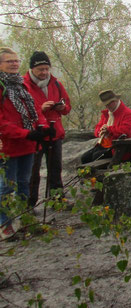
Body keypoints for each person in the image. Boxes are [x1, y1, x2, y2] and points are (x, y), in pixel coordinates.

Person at [0, 47, 50, 239]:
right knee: (6, 186)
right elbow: (3, 124)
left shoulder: (21, 85)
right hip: (7, 147)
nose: (14, 64)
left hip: (27, 146)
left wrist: (44, 127)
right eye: (9, 61)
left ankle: (23, 219)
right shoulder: (2, 87)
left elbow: (35, 111)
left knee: (24, 183)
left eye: (15, 60)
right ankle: (5, 224)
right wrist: (26, 133)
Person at [23, 51, 71, 208]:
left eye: (46, 69)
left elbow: (68, 107)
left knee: (55, 169)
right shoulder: (24, 86)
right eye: (40, 69)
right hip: (35, 135)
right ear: (32, 69)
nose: (44, 72)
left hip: (54, 132)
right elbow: (22, 111)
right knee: (32, 172)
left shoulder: (56, 84)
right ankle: (30, 205)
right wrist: (40, 109)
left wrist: (62, 107)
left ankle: (57, 201)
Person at [80, 90, 131, 164]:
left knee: (96, 157)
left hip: (117, 147)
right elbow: (97, 128)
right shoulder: (106, 113)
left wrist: (109, 130)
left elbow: (126, 131)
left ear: (114, 102)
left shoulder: (127, 113)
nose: (106, 107)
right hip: (104, 145)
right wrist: (100, 131)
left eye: (108, 104)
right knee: (84, 158)